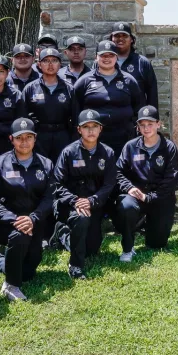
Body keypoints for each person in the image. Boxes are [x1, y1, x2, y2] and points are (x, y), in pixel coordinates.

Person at [0, 119, 55, 301]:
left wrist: (33, 218)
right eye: (19, 138)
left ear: (35, 138)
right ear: (11, 139)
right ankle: (11, 286)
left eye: (29, 137)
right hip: (7, 225)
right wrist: (14, 219)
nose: (24, 142)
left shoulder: (46, 164)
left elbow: (50, 197)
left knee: (28, 272)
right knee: (19, 236)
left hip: (35, 223)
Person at [50, 109, 118, 279]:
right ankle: (75, 266)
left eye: (94, 126)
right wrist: (75, 201)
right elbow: (57, 183)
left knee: (92, 249)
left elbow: (109, 183)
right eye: (86, 127)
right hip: (70, 205)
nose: (90, 130)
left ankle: (63, 234)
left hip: (93, 204)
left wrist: (92, 201)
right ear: (79, 130)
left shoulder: (107, 153)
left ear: (100, 129)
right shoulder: (68, 152)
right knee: (81, 219)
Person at [113, 106, 178, 261]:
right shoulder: (130, 146)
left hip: (160, 197)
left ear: (158, 124)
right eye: (142, 124)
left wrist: (150, 198)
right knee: (127, 207)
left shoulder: (169, 147)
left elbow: (172, 179)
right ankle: (128, 248)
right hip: (136, 195)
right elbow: (117, 172)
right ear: (138, 127)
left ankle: (145, 223)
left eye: (150, 124)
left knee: (157, 243)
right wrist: (129, 188)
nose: (146, 128)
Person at [72, 40, 145, 155]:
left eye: (111, 55)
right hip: (94, 138)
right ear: (96, 57)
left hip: (124, 138)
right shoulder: (84, 81)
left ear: (116, 57)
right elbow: (75, 109)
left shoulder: (129, 80)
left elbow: (138, 107)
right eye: (103, 55)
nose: (107, 58)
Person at [23, 47, 74, 163]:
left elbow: (75, 117)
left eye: (54, 60)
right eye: (46, 61)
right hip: (39, 136)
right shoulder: (30, 89)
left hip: (63, 135)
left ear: (60, 64)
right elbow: (23, 116)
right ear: (39, 65)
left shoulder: (69, 89)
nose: (50, 64)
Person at [111, 22, 158, 108]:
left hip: (135, 118)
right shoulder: (103, 62)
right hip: (110, 116)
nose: (120, 38)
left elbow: (152, 94)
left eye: (124, 36)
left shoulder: (142, 62)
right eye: (117, 36)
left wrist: (153, 118)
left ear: (131, 39)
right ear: (111, 39)